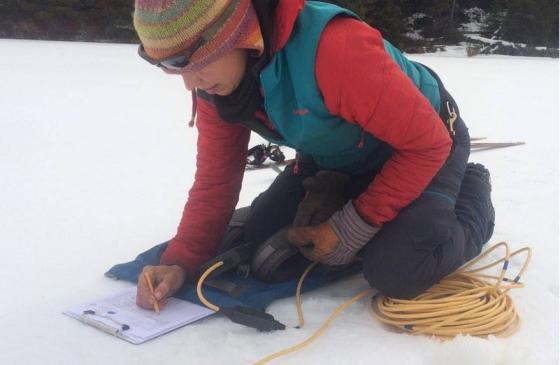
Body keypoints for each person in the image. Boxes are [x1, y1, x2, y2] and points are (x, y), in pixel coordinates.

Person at [133, 0, 495, 310]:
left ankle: (470, 188)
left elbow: (426, 145)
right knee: (259, 234)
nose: (188, 83)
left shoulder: (334, 49)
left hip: (428, 145)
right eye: (169, 65)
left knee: (399, 268)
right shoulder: (216, 82)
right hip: (337, 154)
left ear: (230, 32)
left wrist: (354, 224)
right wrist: (182, 261)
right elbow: (217, 179)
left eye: (189, 61)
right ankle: (364, 195)